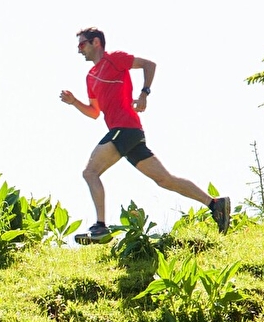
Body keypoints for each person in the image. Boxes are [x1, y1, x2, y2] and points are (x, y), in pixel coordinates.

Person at [59, 26, 229, 240]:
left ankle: (100, 227)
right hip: (126, 133)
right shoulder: (90, 77)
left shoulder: (115, 59)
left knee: (90, 172)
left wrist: (144, 94)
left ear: (96, 43)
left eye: (82, 44)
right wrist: (74, 102)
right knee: (165, 180)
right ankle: (215, 204)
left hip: (126, 128)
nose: (79, 50)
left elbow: (149, 65)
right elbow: (94, 112)